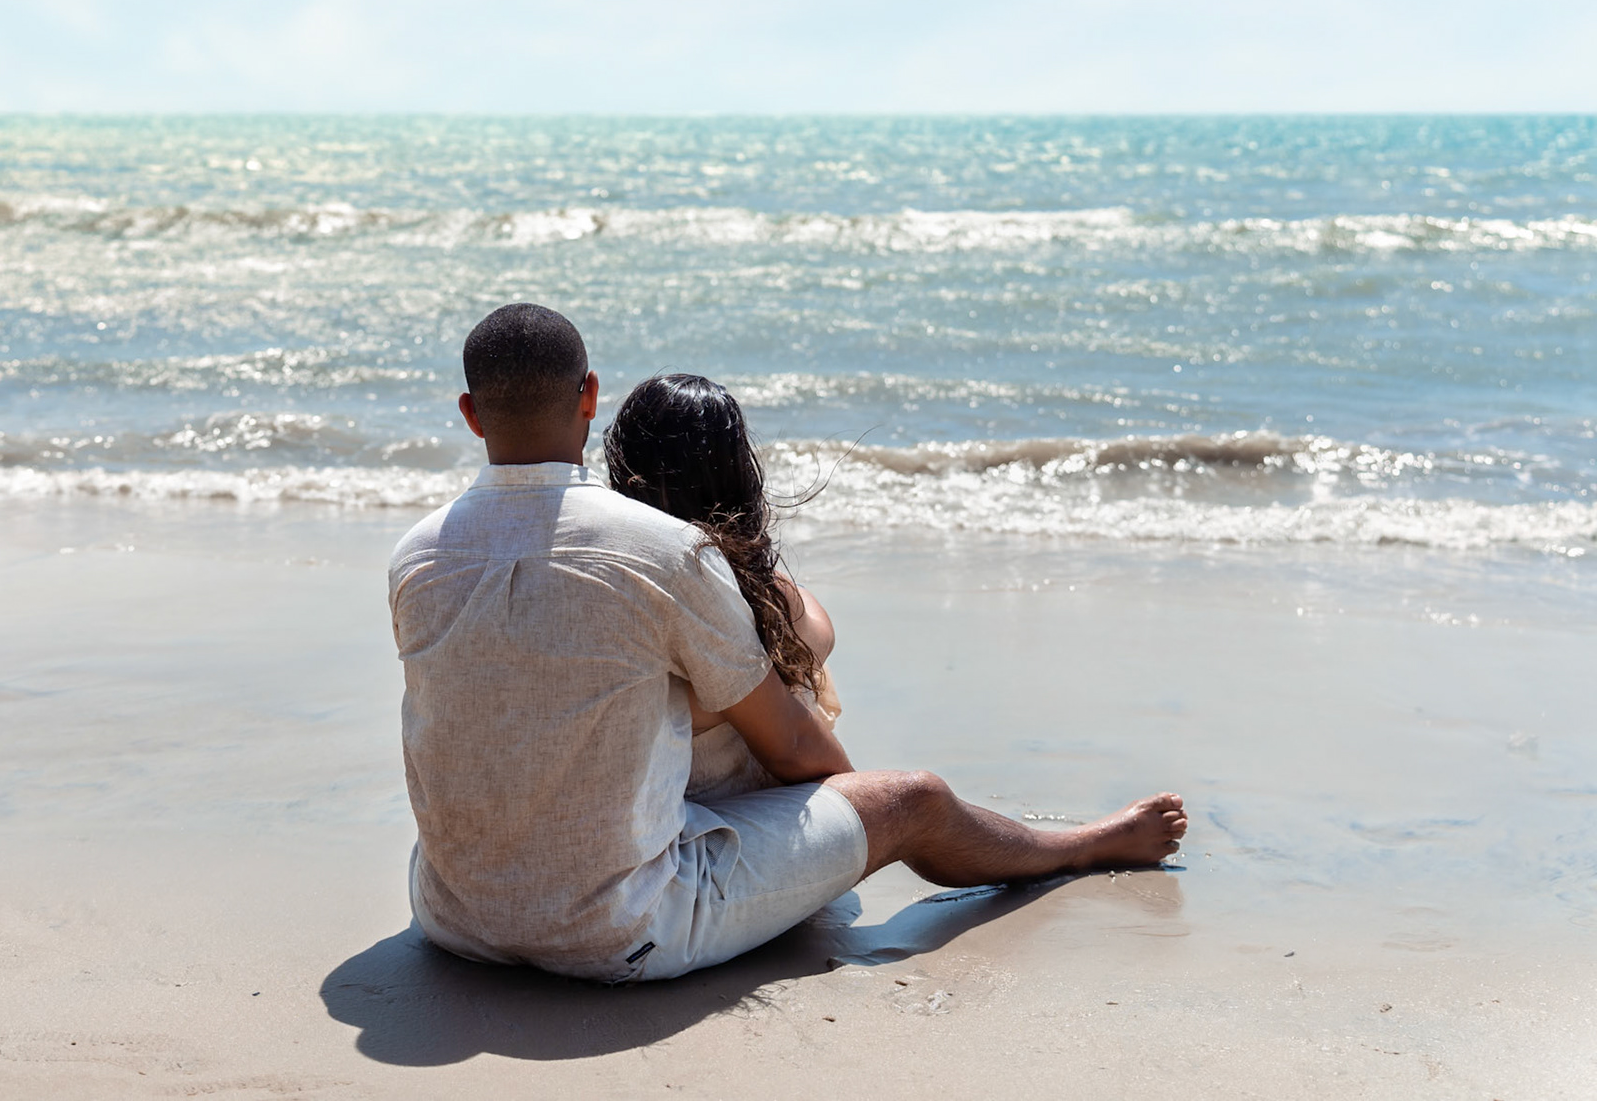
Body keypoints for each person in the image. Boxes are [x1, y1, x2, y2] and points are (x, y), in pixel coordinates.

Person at [388, 303, 1187, 984]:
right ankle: (1080, 846)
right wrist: (847, 819)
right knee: (912, 798)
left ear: (468, 412)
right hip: (617, 933)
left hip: (453, 918)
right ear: (589, 396)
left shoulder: (415, 556)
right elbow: (800, 749)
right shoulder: (661, 550)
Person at [603, 372, 842, 803]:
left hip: (667, 807)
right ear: (739, 474)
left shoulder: (622, 590)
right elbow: (819, 634)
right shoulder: (762, 595)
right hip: (752, 811)